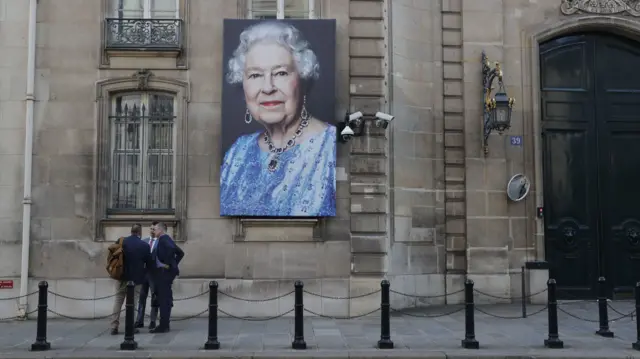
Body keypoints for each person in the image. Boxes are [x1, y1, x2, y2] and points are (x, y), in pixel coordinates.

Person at [220, 21, 336, 217]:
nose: (268, 87)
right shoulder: (237, 152)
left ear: (303, 79)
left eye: (281, 73)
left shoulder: (330, 145)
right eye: (255, 75)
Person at [110, 224, 154, 335]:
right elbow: (149, 264)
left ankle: (114, 326)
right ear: (140, 233)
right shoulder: (144, 245)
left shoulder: (121, 241)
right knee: (133, 303)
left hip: (121, 277)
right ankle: (130, 326)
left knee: (118, 301)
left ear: (131, 231)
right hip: (136, 279)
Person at [149, 222, 184, 333]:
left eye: (155, 229)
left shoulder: (164, 239)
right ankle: (165, 324)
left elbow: (173, 251)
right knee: (165, 299)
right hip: (164, 273)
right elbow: (180, 253)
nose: (153, 231)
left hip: (164, 274)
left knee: (164, 300)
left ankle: (163, 325)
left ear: (160, 230)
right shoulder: (165, 239)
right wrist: (173, 264)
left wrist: (168, 265)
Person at [134, 222, 159, 330]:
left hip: (154, 274)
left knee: (154, 297)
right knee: (141, 298)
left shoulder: (160, 242)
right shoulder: (143, 241)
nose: (152, 231)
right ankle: (139, 320)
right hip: (143, 274)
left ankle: (153, 320)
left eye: (154, 229)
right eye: (151, 229)